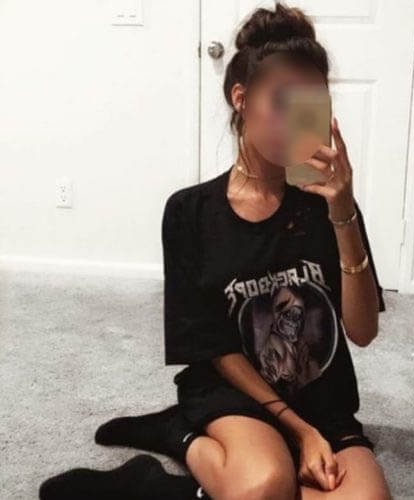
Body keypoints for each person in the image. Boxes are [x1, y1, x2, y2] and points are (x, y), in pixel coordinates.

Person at [39, 2, 393, 499]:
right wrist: (299, 431)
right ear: (240, 98)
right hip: (234, 391)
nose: (296, 119)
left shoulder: (329, 205)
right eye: (281, 100)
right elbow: (213, 346)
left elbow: (362, 331)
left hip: (320, 395)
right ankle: (181, 439)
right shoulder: (191, 213)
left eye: (311, 102)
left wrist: (343, 212)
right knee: (265, 485)